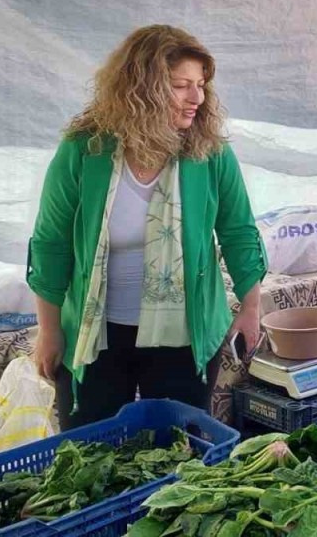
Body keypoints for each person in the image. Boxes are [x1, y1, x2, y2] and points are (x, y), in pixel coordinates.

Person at [27, 25, 267, 429]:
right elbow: (51, 243)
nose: (197, 98)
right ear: (141, 88)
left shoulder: (208, 152)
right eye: (180, 86)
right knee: (91, 453)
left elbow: (238, 231)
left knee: (179, 448)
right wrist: (49, 331)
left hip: (184, 334)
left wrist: (251, 306)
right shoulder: (85, 151)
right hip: (96, 336)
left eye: (201, 85)